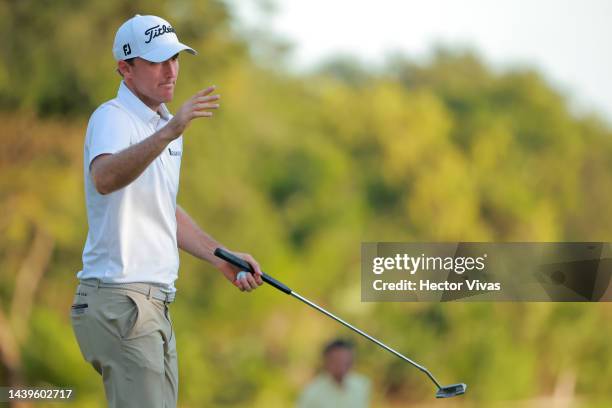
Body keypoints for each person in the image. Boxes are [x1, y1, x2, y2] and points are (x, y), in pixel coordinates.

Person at [70, 14, 263, 408]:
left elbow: (163, 210)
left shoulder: (160, 125)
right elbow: (104, 177)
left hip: (152, 303)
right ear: (126, 68)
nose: (171, 70)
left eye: (174, 59)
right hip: (120, 300)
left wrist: (221, 257)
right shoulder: (113, 117)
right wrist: (170, 131)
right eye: (157, 61)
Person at [298, 339, 371, 408]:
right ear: (326, 361)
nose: (341, 366)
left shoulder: (362, 384)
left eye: (345, 361)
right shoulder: (311, 392)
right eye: (337, 361)